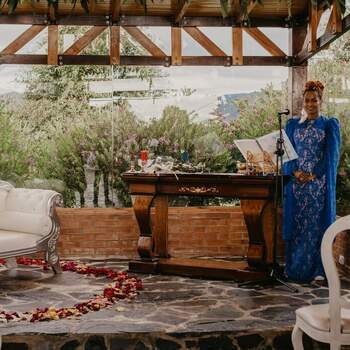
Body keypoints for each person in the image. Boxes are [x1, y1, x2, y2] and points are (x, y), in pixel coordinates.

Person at [282, 80, 341, 283]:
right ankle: (295, 270)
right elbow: (287, 153)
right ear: (303, 102)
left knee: (315, 228)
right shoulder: (292, 125)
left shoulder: (329, 124)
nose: (310, 104)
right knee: (297, 227)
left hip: (317, 186)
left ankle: (318, 271)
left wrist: (314, 174)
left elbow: (331, 156)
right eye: (306, 100)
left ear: (320, 101)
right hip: (296, 185)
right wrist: (294, 172)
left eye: (314, 100)